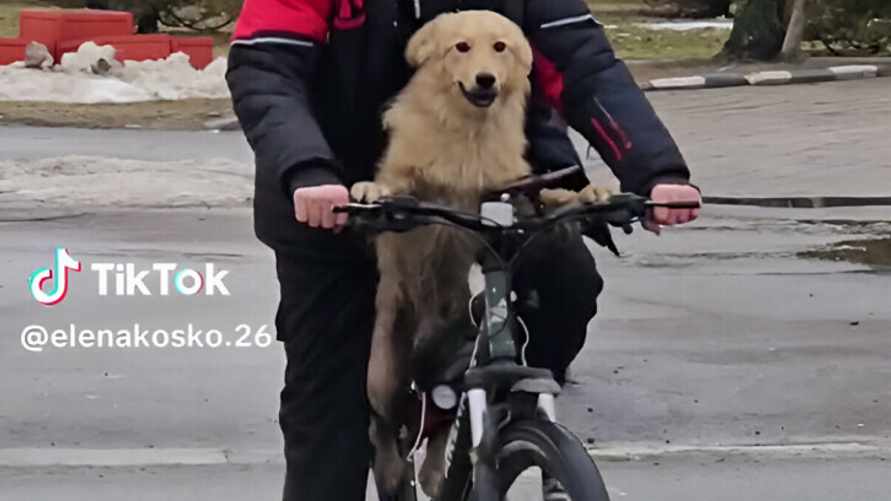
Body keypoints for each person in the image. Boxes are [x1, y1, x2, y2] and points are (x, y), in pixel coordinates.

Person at [226, 1, 701, 499]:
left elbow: (584, 64)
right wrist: (307, 169)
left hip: (494, 183)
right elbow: (266, 65)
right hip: (334, 196)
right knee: (329, 410)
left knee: (567, 281)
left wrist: (656, 171)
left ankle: (510, 417)